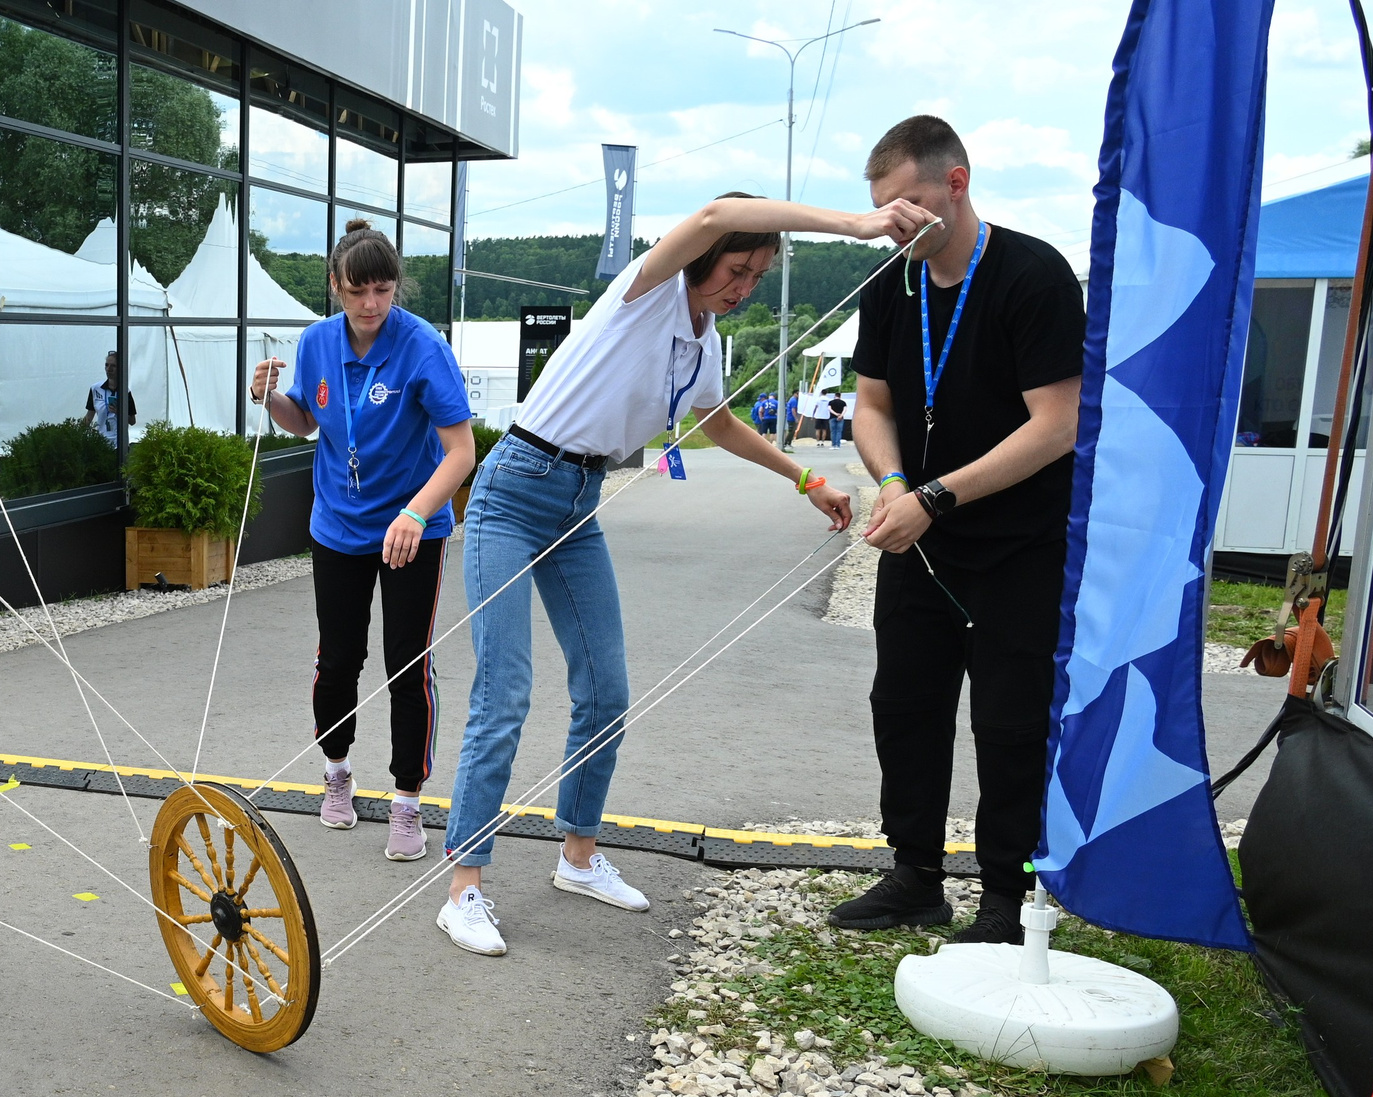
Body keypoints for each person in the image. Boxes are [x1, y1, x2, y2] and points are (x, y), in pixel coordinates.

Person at [437, 191, 932, 958]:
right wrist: (859, 226)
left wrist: (806, 481)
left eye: (758, 277)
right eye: (736, 269)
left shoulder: (706, 342)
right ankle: (463, 888)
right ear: (704, 258)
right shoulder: (648, 290)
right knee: (504, 689)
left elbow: (715, 421)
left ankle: (578, 856)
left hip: (577, 501)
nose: (742, 287)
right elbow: (709, 216)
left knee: (605, 690)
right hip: (513, 488)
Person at [831, 116, 1082, 945]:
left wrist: (936, 495)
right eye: (879, 207)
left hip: (1017, 546)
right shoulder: (889, 285)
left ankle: (1008, 896)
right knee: (904, 705)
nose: (892, 222)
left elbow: (1056, 424)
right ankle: (915, 876)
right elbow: (872, 405)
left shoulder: (1032, 275)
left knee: (1010, 718)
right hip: (917, 538)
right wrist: (895, 482)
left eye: (905, 202)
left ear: (956, 185)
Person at [250, 218, 474, 861]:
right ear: (335, 288)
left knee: (407, 663)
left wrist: (415, 513)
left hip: (412, 527)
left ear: (395, 287)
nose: (370, 304)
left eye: (382, 290)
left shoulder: (423, 346)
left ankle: (407, 802)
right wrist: (269, 399)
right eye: (356, 292)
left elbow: (461, 451)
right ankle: (338, 772)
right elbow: (304, 421)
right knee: (338, 658)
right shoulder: (316, 341)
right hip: (338, 527)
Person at [83, 352, 136, 447]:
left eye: (113, 366)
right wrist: (77, 432)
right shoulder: (95, 389)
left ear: (120, 368)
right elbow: (89, 417)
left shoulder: (125, 391)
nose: (109, 369)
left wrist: (120, 412)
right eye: (106, 365)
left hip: (119, 444)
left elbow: (132, 421)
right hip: (101, 442)